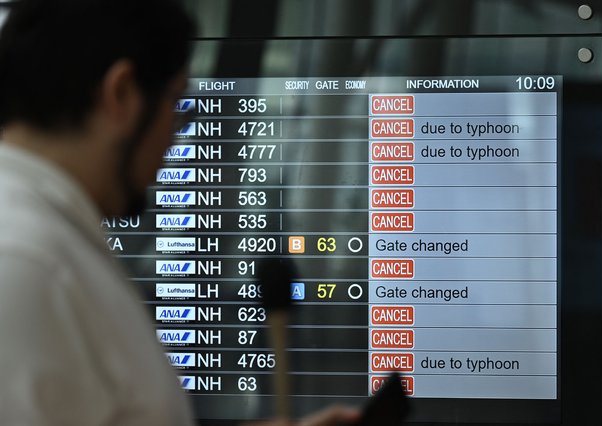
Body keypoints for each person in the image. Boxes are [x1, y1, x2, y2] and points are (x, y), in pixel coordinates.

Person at [0, 1, 359, 425]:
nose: (175, 138)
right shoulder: (26, 264)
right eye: (177, 105)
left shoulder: (47, 240)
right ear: (122, 94)